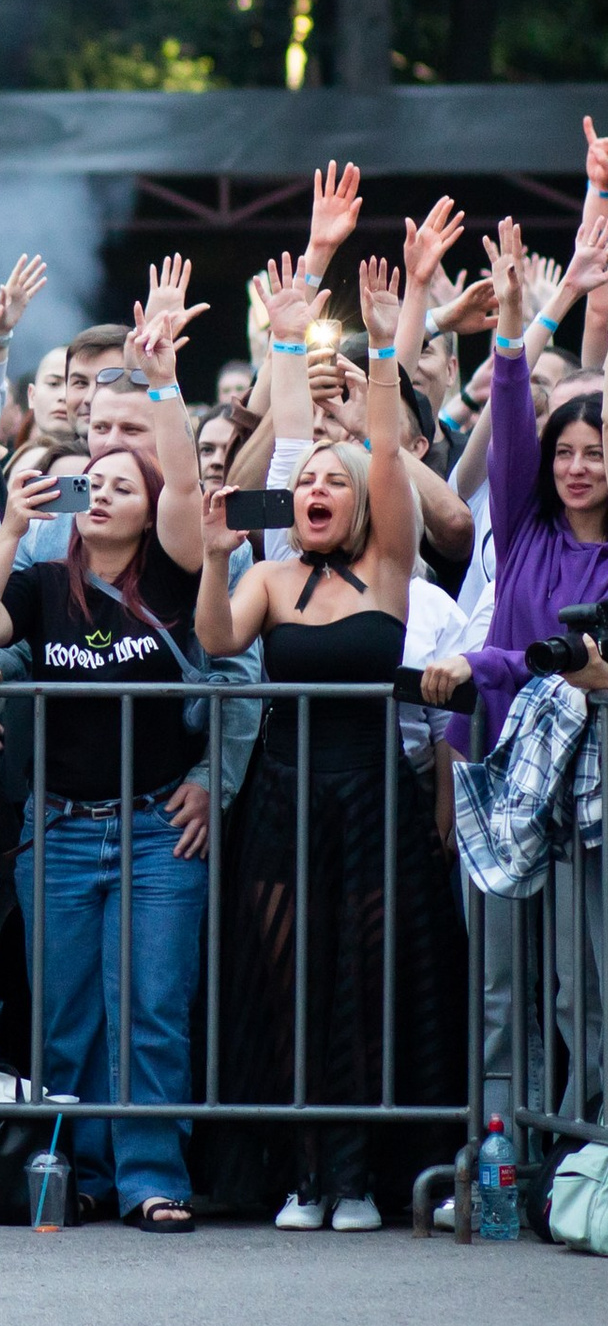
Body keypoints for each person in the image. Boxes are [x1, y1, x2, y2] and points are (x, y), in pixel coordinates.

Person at [196, 250, 460, 1232]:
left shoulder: (390, 569)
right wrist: (219, 562)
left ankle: (357, 1174)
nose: (311, 485)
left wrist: (388, 346)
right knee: (287, 974)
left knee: (366, 975)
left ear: (352, 500)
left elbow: (387, 457)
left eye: (326, 478)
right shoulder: (267, 577)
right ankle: (304, 1172)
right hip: (282, 784)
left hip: (369, 790)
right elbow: (217, 639)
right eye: (299, 478)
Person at [0, 301, 210, 1232]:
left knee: (152, 1009)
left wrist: (165, 381)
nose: (100, 492)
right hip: (58, 828)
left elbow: (183, 487)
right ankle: (79, 1169)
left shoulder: (174, 575)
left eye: (120, 484)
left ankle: (151, 1176)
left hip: (152, 826)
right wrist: (14, 527)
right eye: (89, 480)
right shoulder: (44, 578)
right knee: (68, 1019)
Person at [421, 214, 608, 1133]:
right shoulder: (525, 524)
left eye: (595, 453)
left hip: (591, 795)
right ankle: (502, 1161)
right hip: (501, 774)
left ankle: (583, 1154)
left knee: (582, 992)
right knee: (500, 995)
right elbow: (507, 417)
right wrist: (514, 326)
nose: (575, 466)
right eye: (564, 451)